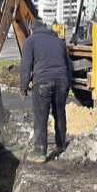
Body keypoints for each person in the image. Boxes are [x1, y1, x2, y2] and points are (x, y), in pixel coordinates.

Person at [20, 18, 73, 162]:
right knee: (59, 113)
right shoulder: (59, 42)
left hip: (42, 82)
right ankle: (61, 144)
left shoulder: (30, 41)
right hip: (62, 81)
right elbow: (69, 67)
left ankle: (39, 152)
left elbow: (25, 67)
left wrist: (23, 87)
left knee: (40, 117)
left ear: (32, 29)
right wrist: (68, 84)